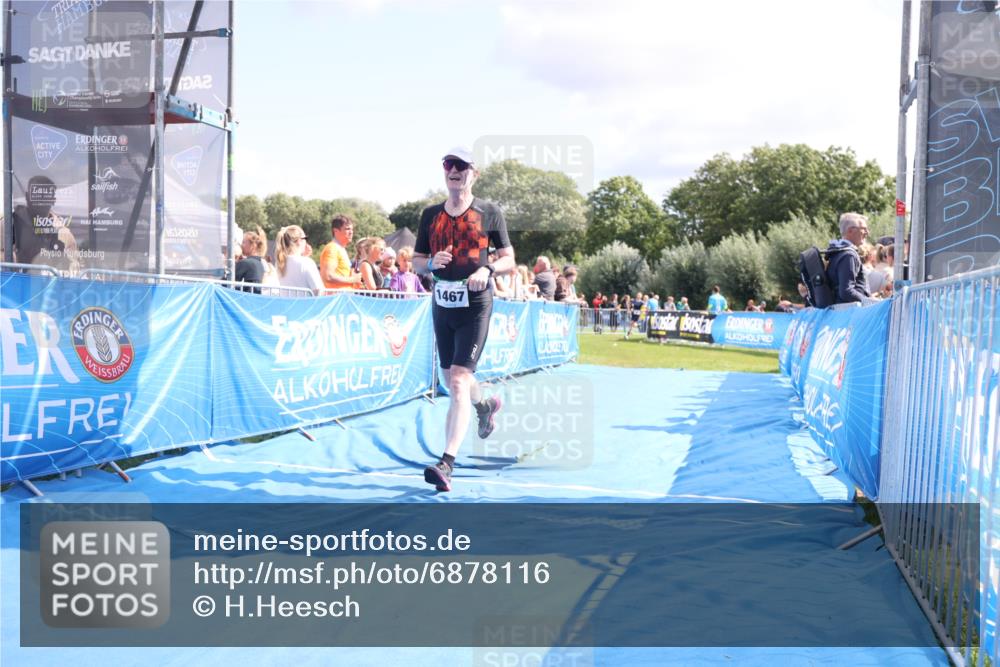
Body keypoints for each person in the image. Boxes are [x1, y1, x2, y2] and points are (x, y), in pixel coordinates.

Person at [413, 147, 515, 492]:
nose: (453, 170)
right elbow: (416, 261)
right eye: (448, 165)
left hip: (475, 303)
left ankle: (447, 463)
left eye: (461, 166)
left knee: (458, 379)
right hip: (442, 303)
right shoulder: (430, 215)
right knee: (451, 378)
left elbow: (508, 259)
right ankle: (484, 406)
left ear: (474, 173)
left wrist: (487, 269)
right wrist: (429, 265)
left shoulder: (489, 212)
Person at [825, 212, 872, 305]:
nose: (867, 232)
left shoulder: (837, 251)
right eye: (864, 229)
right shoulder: (848, 255)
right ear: (850, 231)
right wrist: (869, 302)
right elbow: (846, 292)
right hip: (849, 312)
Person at [275, 225, 323, 295]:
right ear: (299, 241)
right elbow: (319, 291)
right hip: (306, 305)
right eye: (305, 239)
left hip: (286, 305)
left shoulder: (279, 263)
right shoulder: (307, 263)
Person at [320, 214, 362, 290]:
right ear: (335, 231)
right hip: (337, 298)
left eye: (352, 229)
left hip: (343, 298)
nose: (351, 232)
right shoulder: (332, 248)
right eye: (347, 229)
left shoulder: (340, 249)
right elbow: (328, 276)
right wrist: (353, 279)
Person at [235, 226, 268, 293]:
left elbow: (228, 281)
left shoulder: (246, 263)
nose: (241, 245)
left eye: (244, 242)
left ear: (253, 245)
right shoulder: (261, 263)